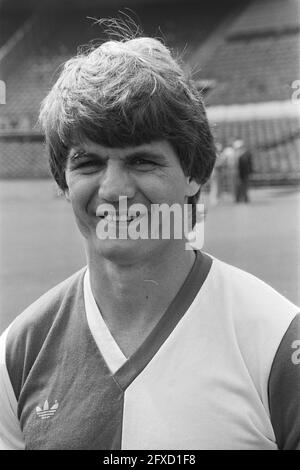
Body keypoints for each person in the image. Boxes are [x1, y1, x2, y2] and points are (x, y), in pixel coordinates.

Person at [0, 24, 299, 451]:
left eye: (142, 161)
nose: (114, 189)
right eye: (88, 163)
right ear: (62, 182)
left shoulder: (277, 344)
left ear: (194, 174)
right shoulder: (18, 353)